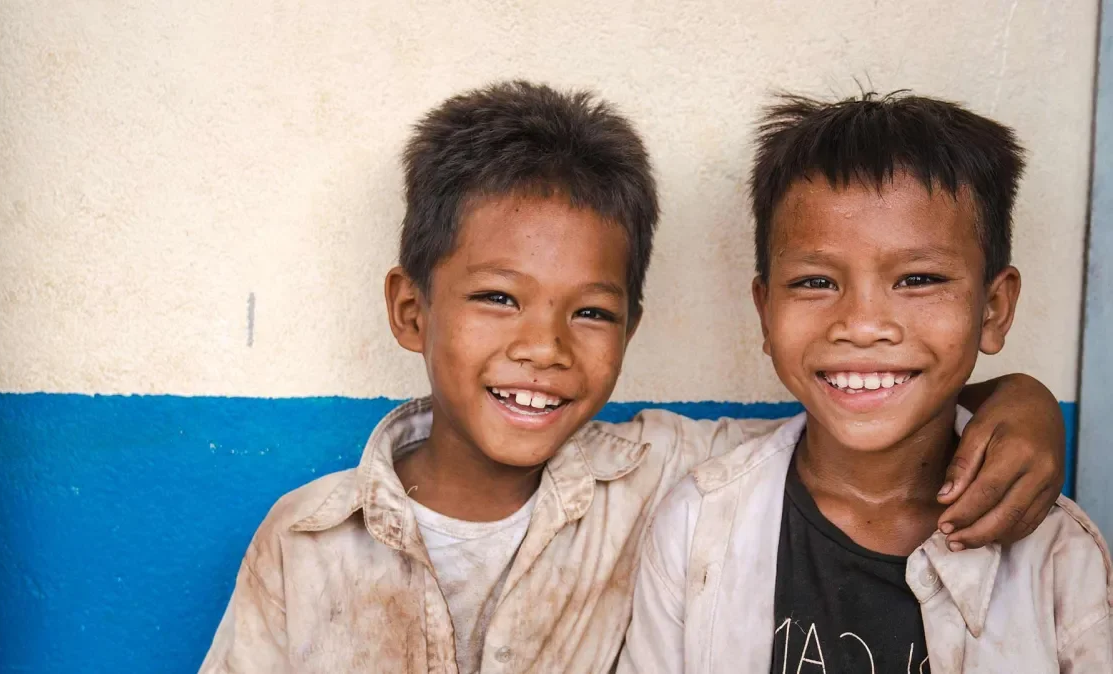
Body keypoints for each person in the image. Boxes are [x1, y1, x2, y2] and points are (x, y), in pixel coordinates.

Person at [200, 82, 1069, 673]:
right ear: (410, 310)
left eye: (590, 311)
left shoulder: (663, 477)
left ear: (631, 329)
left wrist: (1011, 399)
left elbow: (855, 429)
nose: (543, 347)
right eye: (498, 298)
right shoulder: (304, 541)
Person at [618, 91, 1110, 673]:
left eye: (918, 279)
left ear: (993, 309)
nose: (862, 324)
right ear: (765, 313)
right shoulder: (697, 524)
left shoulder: (1056, 556)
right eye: (815, 283)